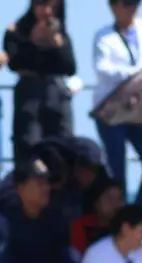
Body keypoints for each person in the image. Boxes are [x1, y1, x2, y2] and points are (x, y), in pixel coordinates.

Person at [92, 0, 142, 205]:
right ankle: (118, 216)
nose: (133, 8)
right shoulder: (103, 36)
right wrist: (138, 74)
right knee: (116, 169)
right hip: (112, 111)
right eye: (127, 3)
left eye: (136, 3)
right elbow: (102, 68)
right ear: (113, 6)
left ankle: (138, 213)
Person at [4, 0, 76, 166]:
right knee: (29, 147)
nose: (47, 11)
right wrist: (34, 42)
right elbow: (16, 63)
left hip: (56, 95)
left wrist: (57, 45)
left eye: (53, 8)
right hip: (29, 95)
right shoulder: (16, 32)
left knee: (62, 147)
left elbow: (70, 67)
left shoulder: (61, 36)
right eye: (42, 5)